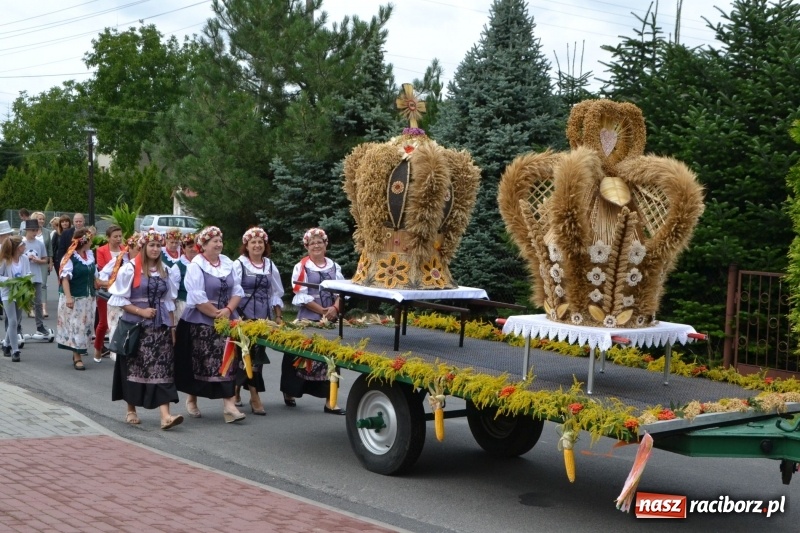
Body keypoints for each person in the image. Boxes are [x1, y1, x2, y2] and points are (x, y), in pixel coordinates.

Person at [108, 229, 183, 430]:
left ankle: (165, 415)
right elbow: (119, 299)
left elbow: (169, 303)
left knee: (163, 368)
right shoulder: (131, 269)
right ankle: (131, 409)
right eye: (152, 245)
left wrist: (172, 328)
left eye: (159, 245)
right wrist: (141, 312)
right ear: (143, 247)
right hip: (137, 327)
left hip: (160, 328)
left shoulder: (165, 270)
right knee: (134, 367)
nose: (155, 249)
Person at [174, 226, 246, 423]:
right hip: (200, 321)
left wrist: (228, 311)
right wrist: (216, 314)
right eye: (214, 241)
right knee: (198, 362)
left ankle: (229, 406)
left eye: (220, 240)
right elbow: (197, 297)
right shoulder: (196, 265)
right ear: (203, 245)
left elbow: (237, 291)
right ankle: (192, 398)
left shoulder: (228, 263)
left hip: (226, 319)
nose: (219, 244)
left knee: (228, 362)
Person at [281, 227, 346, 414]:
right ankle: (290, 392)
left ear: (326, 245)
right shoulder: (301, 266)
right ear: (307, 247)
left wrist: (334, 308)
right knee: (299, 354)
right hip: (309, 318)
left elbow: (342, 292)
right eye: (312, 243)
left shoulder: (334, 266)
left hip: (331, 318)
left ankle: (330, 400)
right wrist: (322, 311)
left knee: (331, 358)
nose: (316, 245)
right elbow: (300, 294)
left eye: (320, 242)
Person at [231, 227, 284, 414]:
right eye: (253, 242)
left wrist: (277, 316)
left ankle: (239, 389)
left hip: (263, 317)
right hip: (243, 316)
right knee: (244, 354)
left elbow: (276, 292)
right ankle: (254, 396)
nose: (257, 245)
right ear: (246, 245)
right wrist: (235, 315)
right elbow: (233, 291)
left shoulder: (269, 265)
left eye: (260, 242)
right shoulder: (239, 264)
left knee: (257, 357)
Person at [56, 228, 96, 371]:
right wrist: (68, 297)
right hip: (75, 298)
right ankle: (77, 357)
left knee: (85, 326)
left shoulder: (89, 255)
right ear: (84, 241)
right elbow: (65, 279)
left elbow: (94, 276)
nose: (92, 242)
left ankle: (80, 350)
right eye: (90, 240)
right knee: (76, 327)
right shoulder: (69, 257)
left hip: (88, 298)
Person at [100, 233, 141, 362]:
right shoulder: (121, 259)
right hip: (118, 303)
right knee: (118, 332)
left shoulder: (145, 263)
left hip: (134, 304)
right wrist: (112, 284)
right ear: (131, 247)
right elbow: (102, 275)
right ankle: (119, 361)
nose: (140, 252)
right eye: (138, 249)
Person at [93, 225, 125, 362]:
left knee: (121, 322)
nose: (118, 239)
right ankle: (98, 348)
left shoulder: (125, 250)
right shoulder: (101, 250)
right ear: (108, 238)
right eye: (115, 236)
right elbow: (102, 270)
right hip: (106, 290)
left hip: (122, 290)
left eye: (120, 236)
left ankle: (118, 351)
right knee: (104, 323)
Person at [0, 236, 32, 362]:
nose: (25, 247)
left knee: (17, 321)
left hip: (21, 292)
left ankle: (6, 344)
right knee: (12, 321)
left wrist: (27, 280)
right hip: (8, 293)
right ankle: (15, 350)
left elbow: (28, 272)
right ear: (17, 248)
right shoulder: (4, 260)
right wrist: (9, 280)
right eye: (23, 245)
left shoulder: (24, 259)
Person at [21, 218, 49, 335]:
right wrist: (25, 259)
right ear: (27, 230)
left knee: (38, 302)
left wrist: (38, 260)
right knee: (23, 302)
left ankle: (40, 325)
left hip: (36, 276)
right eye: (32, 230)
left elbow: (45, 259)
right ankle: (18, 326)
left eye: (36, 230)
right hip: (24, 277)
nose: (34, 232)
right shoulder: (22, 243)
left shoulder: (40, 244)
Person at [31, 212, 52, 317]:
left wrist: (50, 262)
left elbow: (49, 249)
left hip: (43, 261)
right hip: (30, 262)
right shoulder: (27, 231)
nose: (42, 221)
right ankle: (31, 308)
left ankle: (43, 309)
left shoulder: (47, 232)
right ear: (34, 220)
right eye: (39, 219)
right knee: (30, 284)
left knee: (43, 285)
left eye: (43, 219)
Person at [173, 232, 197, 322]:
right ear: (183, 248)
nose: (194, 249)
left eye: (195, 246)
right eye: (190, 247)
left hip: (202, 306)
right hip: (183, 306)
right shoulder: (178, 267)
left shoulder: (203, 265)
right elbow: (173, 293)